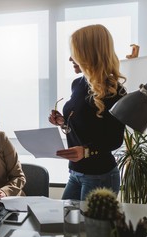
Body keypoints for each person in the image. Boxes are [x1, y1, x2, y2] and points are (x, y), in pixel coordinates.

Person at [49, 24, 126, 200]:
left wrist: (85, 151)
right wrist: (63, 122)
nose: (70, 58)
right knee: (66, 222)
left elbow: (115, 139)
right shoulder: (78, 84)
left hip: (100, 175)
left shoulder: (115, 92)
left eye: (75, 53)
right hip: (75, 173)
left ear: (89, 54)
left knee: (91, 228)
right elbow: (88, 123)